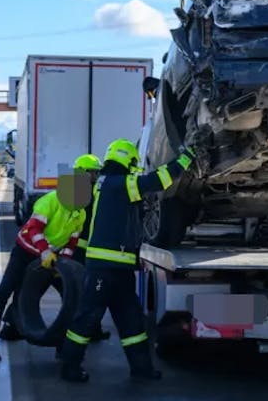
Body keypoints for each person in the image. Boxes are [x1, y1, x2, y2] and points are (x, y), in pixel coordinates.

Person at [58, 137, 199, 383]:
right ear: (127, 159)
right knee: (88, 317)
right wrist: (185, 158)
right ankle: (70, 366)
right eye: (133, 161)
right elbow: (158, 181)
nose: (135, 165)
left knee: (131, 319)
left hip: (119, 269)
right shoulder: (116, 183)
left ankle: (141, 368)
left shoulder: (108, 182)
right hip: (104, 268)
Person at [0, 153, 102, 362]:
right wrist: (45, 252)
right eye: (92, 173)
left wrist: (62, 264)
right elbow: (33, 229)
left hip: (50, 258)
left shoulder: (80, 212)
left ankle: (62, 342)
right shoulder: (50, 201)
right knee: (5, 291)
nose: (94, 178)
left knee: (70, 294)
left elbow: (72, 240)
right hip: (25, 252)